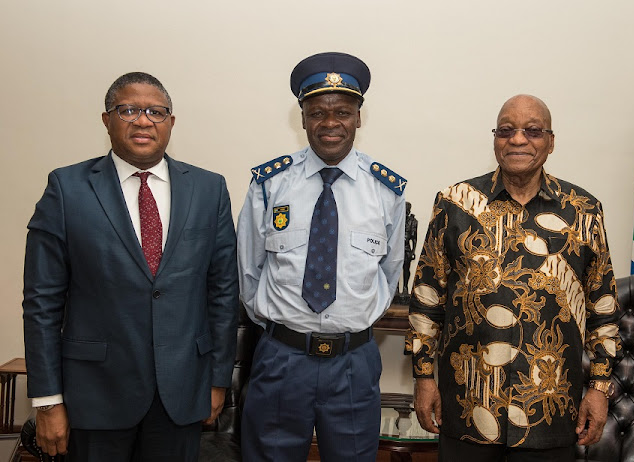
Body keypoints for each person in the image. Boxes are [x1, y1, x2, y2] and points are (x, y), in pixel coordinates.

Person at [22, 72, 239, 461]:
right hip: (95, 395)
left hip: (182, 393)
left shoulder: (209, 189)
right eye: (129, 110)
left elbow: (222, 293)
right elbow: (41, 302)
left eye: (156, 112)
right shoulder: (67, 188)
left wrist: (218, 380)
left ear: (171, 122)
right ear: (107, 119)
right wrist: (48, 400)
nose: (143, 120)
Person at [406, 94, 621, 461]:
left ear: (551, 141)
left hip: (550, 412)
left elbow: (602, 308)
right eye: (506, 130)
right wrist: (424, 378)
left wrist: (599, 388)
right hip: (467, 407)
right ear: (494, 139)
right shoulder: (455, 203)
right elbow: (427, 300)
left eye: (533, 130)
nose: (518, 139)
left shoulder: (583, 211)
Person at [237, 52, 406, 461]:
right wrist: (285, 330)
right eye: (318, 112)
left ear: (358, 118)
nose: (330, 123)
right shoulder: (270, 184)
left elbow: (390, 272)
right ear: (303, 118)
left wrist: (354, 321)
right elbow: (249, 272)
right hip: (281, 359)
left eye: (343, 112)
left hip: (354, 363)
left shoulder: (386, 191)